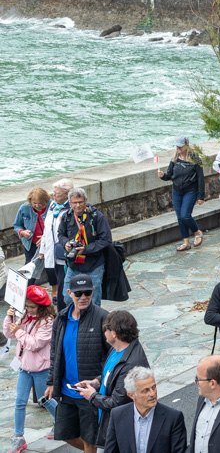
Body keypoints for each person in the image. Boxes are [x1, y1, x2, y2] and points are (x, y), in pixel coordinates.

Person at [46, 274, 109, 453]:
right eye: (78, 293)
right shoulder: (61, 318)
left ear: (93, 291)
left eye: (87, 292)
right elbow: (55, 353)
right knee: (65, 433)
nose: (83, 297)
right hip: (67, 391)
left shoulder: (102, 317)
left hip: (89, 392)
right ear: (69, 293)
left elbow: (112, 355)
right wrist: (51, 381)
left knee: (90, 439)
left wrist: (99, 381)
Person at [75, 310, 149, 446]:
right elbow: (111, 373)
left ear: (114, 333)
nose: (104, 334)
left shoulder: (130, 364)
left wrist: (92, 396)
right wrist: (96, 382)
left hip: (120, 431)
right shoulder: (117, 349)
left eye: (106, 330)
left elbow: (116, 402)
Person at [5, 285, 58, 452]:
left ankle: (63, 423)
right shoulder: (26, 316)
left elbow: (35, 344)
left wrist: (19, 332)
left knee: (46, 400)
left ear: (41, 307)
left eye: (32, 307)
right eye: (26, 306)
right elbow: (9, 334)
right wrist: (10, 319)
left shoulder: (48, 322)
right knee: (20, 402)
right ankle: (18, 437)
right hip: (24, 367)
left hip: (41, 368)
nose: (29, 310)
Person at [102, 366, 187, 453]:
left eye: (153, 387)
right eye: (145, 390)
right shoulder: (117, 416)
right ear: (131, 395)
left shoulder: (174, 418)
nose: (152, 393)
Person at [58, 188, 113, 306]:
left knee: (93, 300)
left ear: (86, 201)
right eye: (74, 203)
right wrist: (66, 243)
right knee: (68, 298)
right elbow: (60, 235)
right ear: (69, 202)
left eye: (80, 202)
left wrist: (86, 249)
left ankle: (93, 322)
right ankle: (75, 320)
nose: (78, 205)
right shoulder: (66, 217)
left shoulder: (96, 216)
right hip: (73, 265)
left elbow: (106, 239)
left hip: (94, 265)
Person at [158, 137, 206, 252]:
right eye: (177, 146)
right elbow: (169, 176)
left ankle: (197, 232)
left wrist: (201, 196)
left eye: (180, 146)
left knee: (185, 215)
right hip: (177, 191)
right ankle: (186, 242)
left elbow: (200, 178)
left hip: (190, 190)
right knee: (180, 217)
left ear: (187, 146)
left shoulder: (195, 160)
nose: (178, 148)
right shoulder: (174, 160)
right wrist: (163, 176)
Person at [41, 179, 74, 306]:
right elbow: (47, 230)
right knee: (57, 280)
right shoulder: (53, 206)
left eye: (57, 193)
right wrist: (43, 250)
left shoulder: (70, 209)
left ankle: (63, 311)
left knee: (63, 285)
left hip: (63, 253)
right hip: (51, 251)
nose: (54, 195)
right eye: (53, 193)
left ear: (66, 194)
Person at [14, 187, 49, 267]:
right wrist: (22, 232)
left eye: (40, 203)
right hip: (31, 244)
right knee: (30, 266)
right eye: (34, 203)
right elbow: (17, 225)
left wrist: (46, 237)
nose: (37, 206)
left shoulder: (52, 206)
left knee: (50, 268)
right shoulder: (24, 208)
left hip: (48, 243)